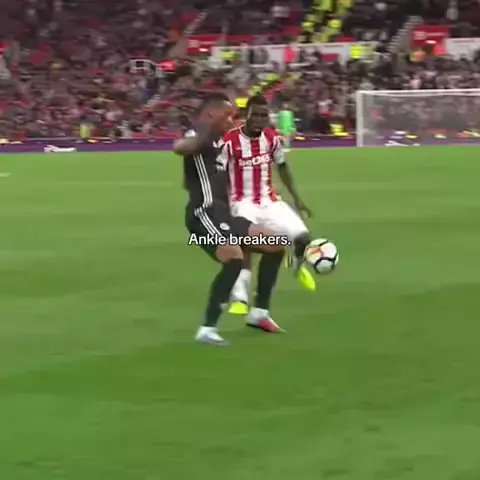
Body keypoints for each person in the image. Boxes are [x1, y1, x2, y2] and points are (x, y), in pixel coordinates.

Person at [173, 92, 286, 346]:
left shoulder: (226, 139)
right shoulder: (197, 134)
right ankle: (207, 329)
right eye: (227, 115)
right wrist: (207, 134)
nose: (231, 120)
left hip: (227, 213)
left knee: (275, 244)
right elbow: (180, 148)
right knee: (234, 258)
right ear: (210, 113)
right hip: (204, 213)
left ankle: (259, 314)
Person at [223, 95, 315, 327]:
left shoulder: (272, 138)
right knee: (245, 242)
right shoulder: (229, 141)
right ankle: (241, 297)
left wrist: (297, 199)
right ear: (246, 115)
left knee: (303, 238)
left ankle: (296, 265)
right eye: (255, 114)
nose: (259, 119)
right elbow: (217, 174)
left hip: (270, 201)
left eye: (264, 115)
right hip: (242, 202)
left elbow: (283, 167)